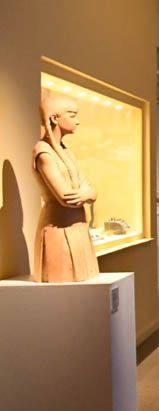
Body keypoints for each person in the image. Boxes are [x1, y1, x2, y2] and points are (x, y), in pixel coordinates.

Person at [32, 93, 99, 282]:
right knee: (62, 283)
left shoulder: (66, 152)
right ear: (54, 118)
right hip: (58, 229)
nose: (77, 121)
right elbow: (66, 198)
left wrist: (87, 193)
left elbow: (91, 190)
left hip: (77, 226)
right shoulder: (44, 153)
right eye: (72, 115)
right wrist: (87, 193)